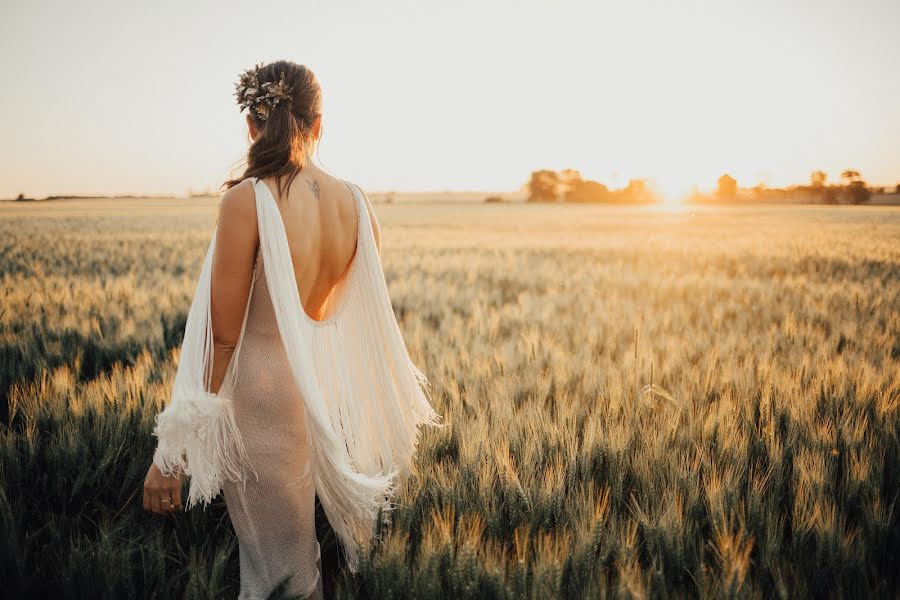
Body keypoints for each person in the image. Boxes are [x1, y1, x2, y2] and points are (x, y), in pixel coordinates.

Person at [142, 60, 442, 600]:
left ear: (252, 125)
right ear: (318, 123)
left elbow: (224, 338)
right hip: (318, 397)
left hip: (259, 400)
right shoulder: (357, 204)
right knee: (298, 561)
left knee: (275, 573)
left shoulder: (247, 201)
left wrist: (171, 454)